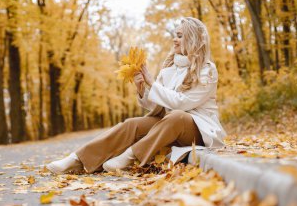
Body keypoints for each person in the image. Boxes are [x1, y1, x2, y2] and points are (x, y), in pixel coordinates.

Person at [46, 17, 227, 174]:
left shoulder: (207, 69)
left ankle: (130, 156)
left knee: (177, 116)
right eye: (175, 35)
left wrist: (152, 82)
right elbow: (158, 108)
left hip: (198, 130)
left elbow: (182, 104)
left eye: (180, 36)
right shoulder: (169, 70)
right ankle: (78, 159)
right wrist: (142, 89)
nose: (174, 40)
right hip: (168, 126)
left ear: (193, 39)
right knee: (132, 124)